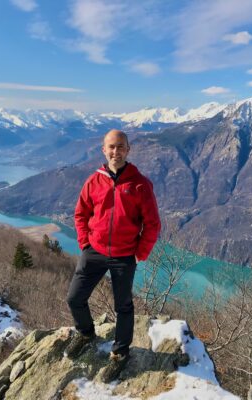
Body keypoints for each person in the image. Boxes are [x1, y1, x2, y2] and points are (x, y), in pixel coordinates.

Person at [65, 129, 161, 382]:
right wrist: (85, 242)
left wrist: (140, 251)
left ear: (128, 150)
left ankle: (120, 353)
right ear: (103, 150)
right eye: (111, 147)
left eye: (120, 147)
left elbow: (152, 224)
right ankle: (86, 334)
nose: (115, 151)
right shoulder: (93, 182)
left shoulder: (140, 184)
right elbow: (80, 214)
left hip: (123, 255)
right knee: (75, 298)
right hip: (94, 251)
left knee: (123, 306)